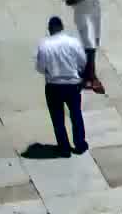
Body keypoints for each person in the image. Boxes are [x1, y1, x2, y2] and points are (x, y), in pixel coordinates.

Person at [36, 15, 88, 156]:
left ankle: (64, 147)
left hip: (54, 86)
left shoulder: (44, 45)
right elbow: (83, 62)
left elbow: (40, 68)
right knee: (76, 114)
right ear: (62, 27)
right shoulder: (73, 42)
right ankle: (80, 144)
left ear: (50, 29)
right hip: (72, 84)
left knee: (58, 118)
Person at [58, 0, 106, 92]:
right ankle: (91, 77)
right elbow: (69, 0)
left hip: (95, 14)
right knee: (89, 45)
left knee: (93, 44)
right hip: (82, 15)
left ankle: (86, 73)